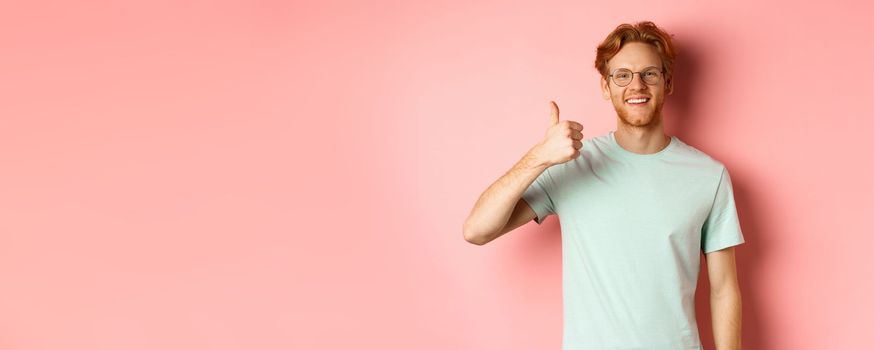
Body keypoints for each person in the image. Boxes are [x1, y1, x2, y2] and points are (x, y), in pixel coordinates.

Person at [462, 21, 744, 350]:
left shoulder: (708, 176)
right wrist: (539, 157)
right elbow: (476, 230)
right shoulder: (571, 164)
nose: (636, 85)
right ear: (605, 87)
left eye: (649, 74)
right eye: (622, 75)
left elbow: (724, 287)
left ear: (667, 83)